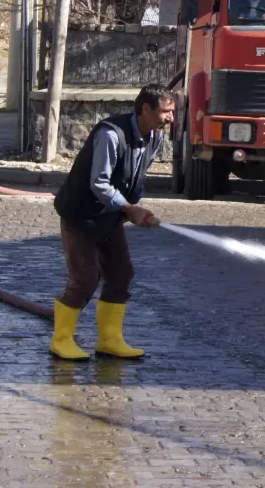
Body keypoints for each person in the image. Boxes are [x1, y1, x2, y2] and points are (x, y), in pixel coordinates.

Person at [49, 85, 174, 361]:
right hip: (80, 214)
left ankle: (109, 340)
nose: (171, 118)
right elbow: (99, 183)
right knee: (85, 278)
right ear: (145, 109)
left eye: (172, 112)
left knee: (121, 274)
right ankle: (61, 340)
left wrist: (131, 210)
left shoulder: (153, 137)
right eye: (166, 111)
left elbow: (133, 176)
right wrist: (130, 208)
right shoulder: (111, 134)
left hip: (110, 214)